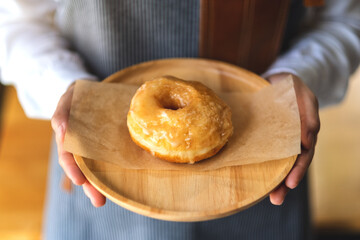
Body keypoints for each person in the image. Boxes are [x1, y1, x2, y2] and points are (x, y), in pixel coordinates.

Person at [0, 0, 359, 239]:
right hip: (96, 175)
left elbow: (348, 15)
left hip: (265, 173)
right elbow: (14, 21)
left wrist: (299, 73)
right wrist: (65, 88)